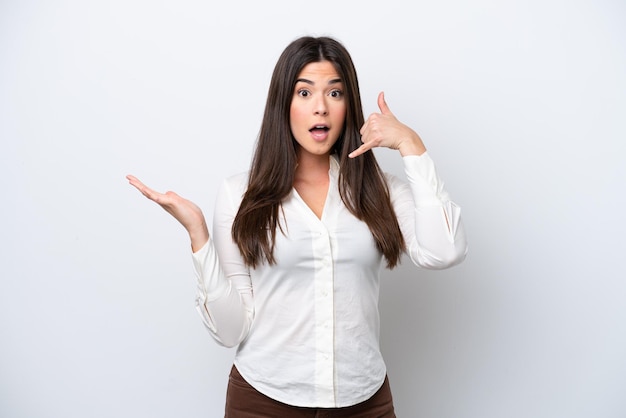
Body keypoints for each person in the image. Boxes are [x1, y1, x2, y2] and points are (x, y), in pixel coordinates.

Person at [127, 35, 467, 417]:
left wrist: (411, 144)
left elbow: (444, 251)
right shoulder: (240, 193)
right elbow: (229, 330)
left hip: (363, 400)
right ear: (283, 105)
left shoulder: (380, 191)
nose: (320, 107)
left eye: (334, 93)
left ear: (349, 106)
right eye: (304, 93)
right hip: (263, 399)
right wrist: (198, 236)